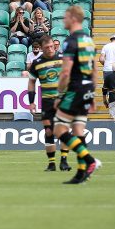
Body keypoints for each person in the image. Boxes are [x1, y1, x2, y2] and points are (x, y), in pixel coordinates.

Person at [51, 5, 101, 184]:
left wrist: (59, 95)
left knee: (59, 129)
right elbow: (95, 69)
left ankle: (89, 161)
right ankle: (82, 173)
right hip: (87, 88)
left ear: (73, 18)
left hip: (75, 88)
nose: (63, 20)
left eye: (65, 17)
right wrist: (93, 93)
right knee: (79, 130)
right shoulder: (89, 40)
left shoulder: (70, 41)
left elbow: (65, 72)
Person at [27, 35, 72, 171]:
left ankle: (64, 161)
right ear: (41, 48)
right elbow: (31, 82)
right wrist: (31, 102)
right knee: (48, 131)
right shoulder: (37, 63)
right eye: (47, 47)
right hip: (46, 101)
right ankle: (51, 163)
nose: (51, 49)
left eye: (52, 46)